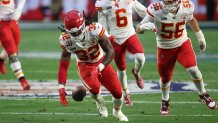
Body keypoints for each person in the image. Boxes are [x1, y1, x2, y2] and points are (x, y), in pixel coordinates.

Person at [136, 0, 217, 115]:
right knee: (165, 79)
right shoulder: (155, 9)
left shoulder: (186, 6)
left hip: (182, 44)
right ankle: (165, 100)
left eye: (170, 1)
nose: (168, 4)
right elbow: (138, 29)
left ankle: (203, 93)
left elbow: (191, 19)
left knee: (193, 69)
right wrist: (143, 27)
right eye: (166, 1)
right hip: (164, 47)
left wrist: (200, 37)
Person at [57, 10, 128, 121]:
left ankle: (117, 111)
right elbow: (64, 62)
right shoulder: (65, 39)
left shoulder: (94, 30)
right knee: (94, 89)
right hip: (84, 65)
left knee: (118, 93)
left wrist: (100, 67)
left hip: (100, 61)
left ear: (83, 25)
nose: (75, 35)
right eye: (72, 33)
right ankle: (100, 102)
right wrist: (61, 87)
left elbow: (110, 51)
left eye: (77, 32)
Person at [95, 0, 152, 106]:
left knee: (140, 57)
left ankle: (136, 72)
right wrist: (107, 38)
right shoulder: (103, 3)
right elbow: (101, 25)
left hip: (130, 34)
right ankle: (126, 94)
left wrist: (150, 20)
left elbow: (144, 12)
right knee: (121, 69)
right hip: (115, 39)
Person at [0, 0, 31, 90]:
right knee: (12, 53)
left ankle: (1, 59)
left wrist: (19, 9)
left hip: (13, 22)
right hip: (2, 24)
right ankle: (23, 80)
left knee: (13, 47)